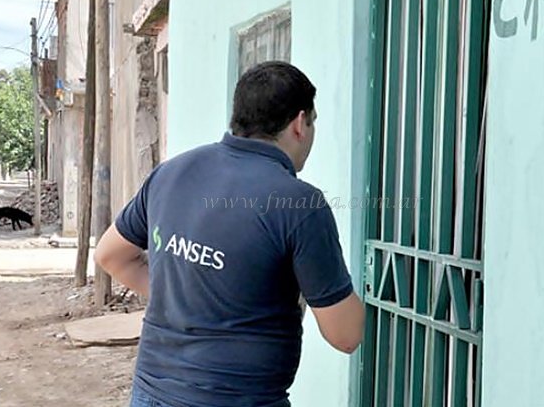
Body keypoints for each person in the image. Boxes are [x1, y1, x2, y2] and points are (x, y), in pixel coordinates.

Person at [94, 62, 365, 407]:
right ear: (300, 123)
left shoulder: (172, 173)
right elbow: (345, 335)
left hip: (152, 393)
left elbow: (109, 256)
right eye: (313, 122)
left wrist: (189, 297)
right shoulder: (299, 204)